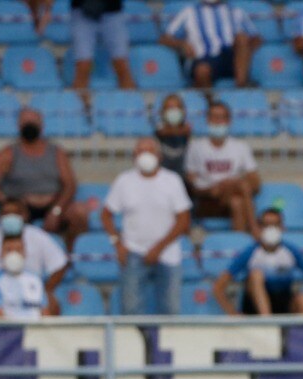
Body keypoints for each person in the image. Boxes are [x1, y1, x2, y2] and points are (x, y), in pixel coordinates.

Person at [0, 109, 89, 249]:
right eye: (25, 122)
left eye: (33, 121)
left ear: (41, 125)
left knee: (79, 212)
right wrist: (4, 200)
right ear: (18, 125)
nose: (29, 125)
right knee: (11, 215)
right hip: (22, 205)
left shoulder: (56, 153)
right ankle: (15, 254)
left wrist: (57, 210)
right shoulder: (10, 153)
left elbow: (70, 185)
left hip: (53, 203)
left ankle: (71, 256)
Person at [103, 140, 192, 315]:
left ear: (159, 156)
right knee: (130, 310)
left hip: (168, 253)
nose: (145, 154)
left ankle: (168, 342)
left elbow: (183, 219)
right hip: (133, 252)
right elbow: (106, 214)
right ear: (134, 156)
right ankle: (136, 342)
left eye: (150, 150)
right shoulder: (124, 181)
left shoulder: (172, 180)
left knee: (171, 309)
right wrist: (117, 243)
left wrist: (159, 248)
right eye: (141, 150)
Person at [212, 208, 303, 316]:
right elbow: (219, 287)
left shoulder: (290, 251)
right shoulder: (251, 252)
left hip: (283, 303)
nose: (271, 229)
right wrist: (232, 313)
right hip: (254, 308)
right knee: (256, 275)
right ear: (260, 227)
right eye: (266, 225)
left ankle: (300, 333)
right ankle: (268, 324)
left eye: (275, 225)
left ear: (282, 227)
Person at [185, 102, 261, 237]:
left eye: (222, 117)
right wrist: (212, 188)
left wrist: (230, 184)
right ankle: (255, 228)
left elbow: (255, 182)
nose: (218, 121)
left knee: (237, 202)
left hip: (232, 197)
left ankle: (238, 244)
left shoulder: (240, 146)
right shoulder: (195, 146)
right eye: (214, 117)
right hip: (208, 199)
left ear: (229, 121)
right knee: (240, 188)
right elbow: (191, 182)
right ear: (207, 120)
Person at [160, 0, 259, 89]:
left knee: (241, 38)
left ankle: (241, 87)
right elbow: (164, 39)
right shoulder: (189, 12)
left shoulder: (236, 11)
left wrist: (245, 54)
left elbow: (256, 38)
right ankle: (210, 103)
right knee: (202, 70)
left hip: (231, 57)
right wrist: (182, 44)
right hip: (204, 58)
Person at [0, 237, 56, 319]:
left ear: (25, 253)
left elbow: (44, 311)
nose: (14, 254)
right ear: (1, 254)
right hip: (5, 330)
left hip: (33, 329)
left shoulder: (35, 279)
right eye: (8, 250)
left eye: (18, 250)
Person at [71, 0, 134, 91]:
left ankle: (130, 103)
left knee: (122, 64)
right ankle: (80, 104)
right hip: (83, 12)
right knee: (83, 65)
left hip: (112, 12)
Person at [154, 95, 194, 182]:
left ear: (183, 111)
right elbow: (162, 132)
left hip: (183, 179)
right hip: (161, 179)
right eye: (170, 108)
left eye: (177, 108)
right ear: (162, 112)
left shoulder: (188, 129)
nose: (173, 111)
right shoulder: (158, 128)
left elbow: (186, 130)